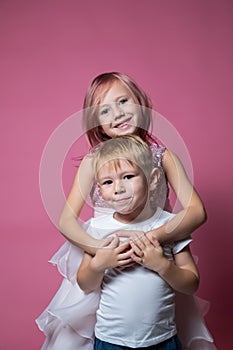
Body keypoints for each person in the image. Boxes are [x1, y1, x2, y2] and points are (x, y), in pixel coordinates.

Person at [36, 72, 216, 349]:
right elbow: (67, 220)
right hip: (107, 254)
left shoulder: (162, 157)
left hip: (155, 254)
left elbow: (196, 211)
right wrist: (100, 249)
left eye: (123, 101)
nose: (117, 113)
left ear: (140, 103)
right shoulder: (93, 161)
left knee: (157, 320)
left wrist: (150, 239)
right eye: (105, 110)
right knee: (86, 333)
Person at [77, 135, 200, 350]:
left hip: (162, 341)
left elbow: (191, 285)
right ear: (99, 189)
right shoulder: (97, 228)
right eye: (108, 182)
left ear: (153, 179)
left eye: (128, 176)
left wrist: (162, 265)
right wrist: (99, 264)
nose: (118, 188)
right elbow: (85, 284)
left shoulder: (171, 225)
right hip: (110, 341)